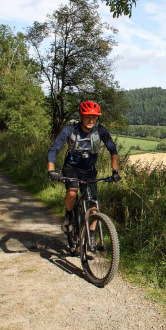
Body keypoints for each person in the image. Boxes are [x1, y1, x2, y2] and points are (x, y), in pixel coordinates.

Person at [47, 100, 120, 241]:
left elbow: (113, 150)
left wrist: (115, 172)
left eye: (94, 117)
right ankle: (68, 216)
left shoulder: (100, 130)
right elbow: (54, 149)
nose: (91, 120)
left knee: (93, 204)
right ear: (81, 116)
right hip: (71, 168)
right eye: (87, 116)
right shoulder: (70, 129)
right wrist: (51, 170)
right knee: (72, 192)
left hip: (89, 171)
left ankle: (91, 236)